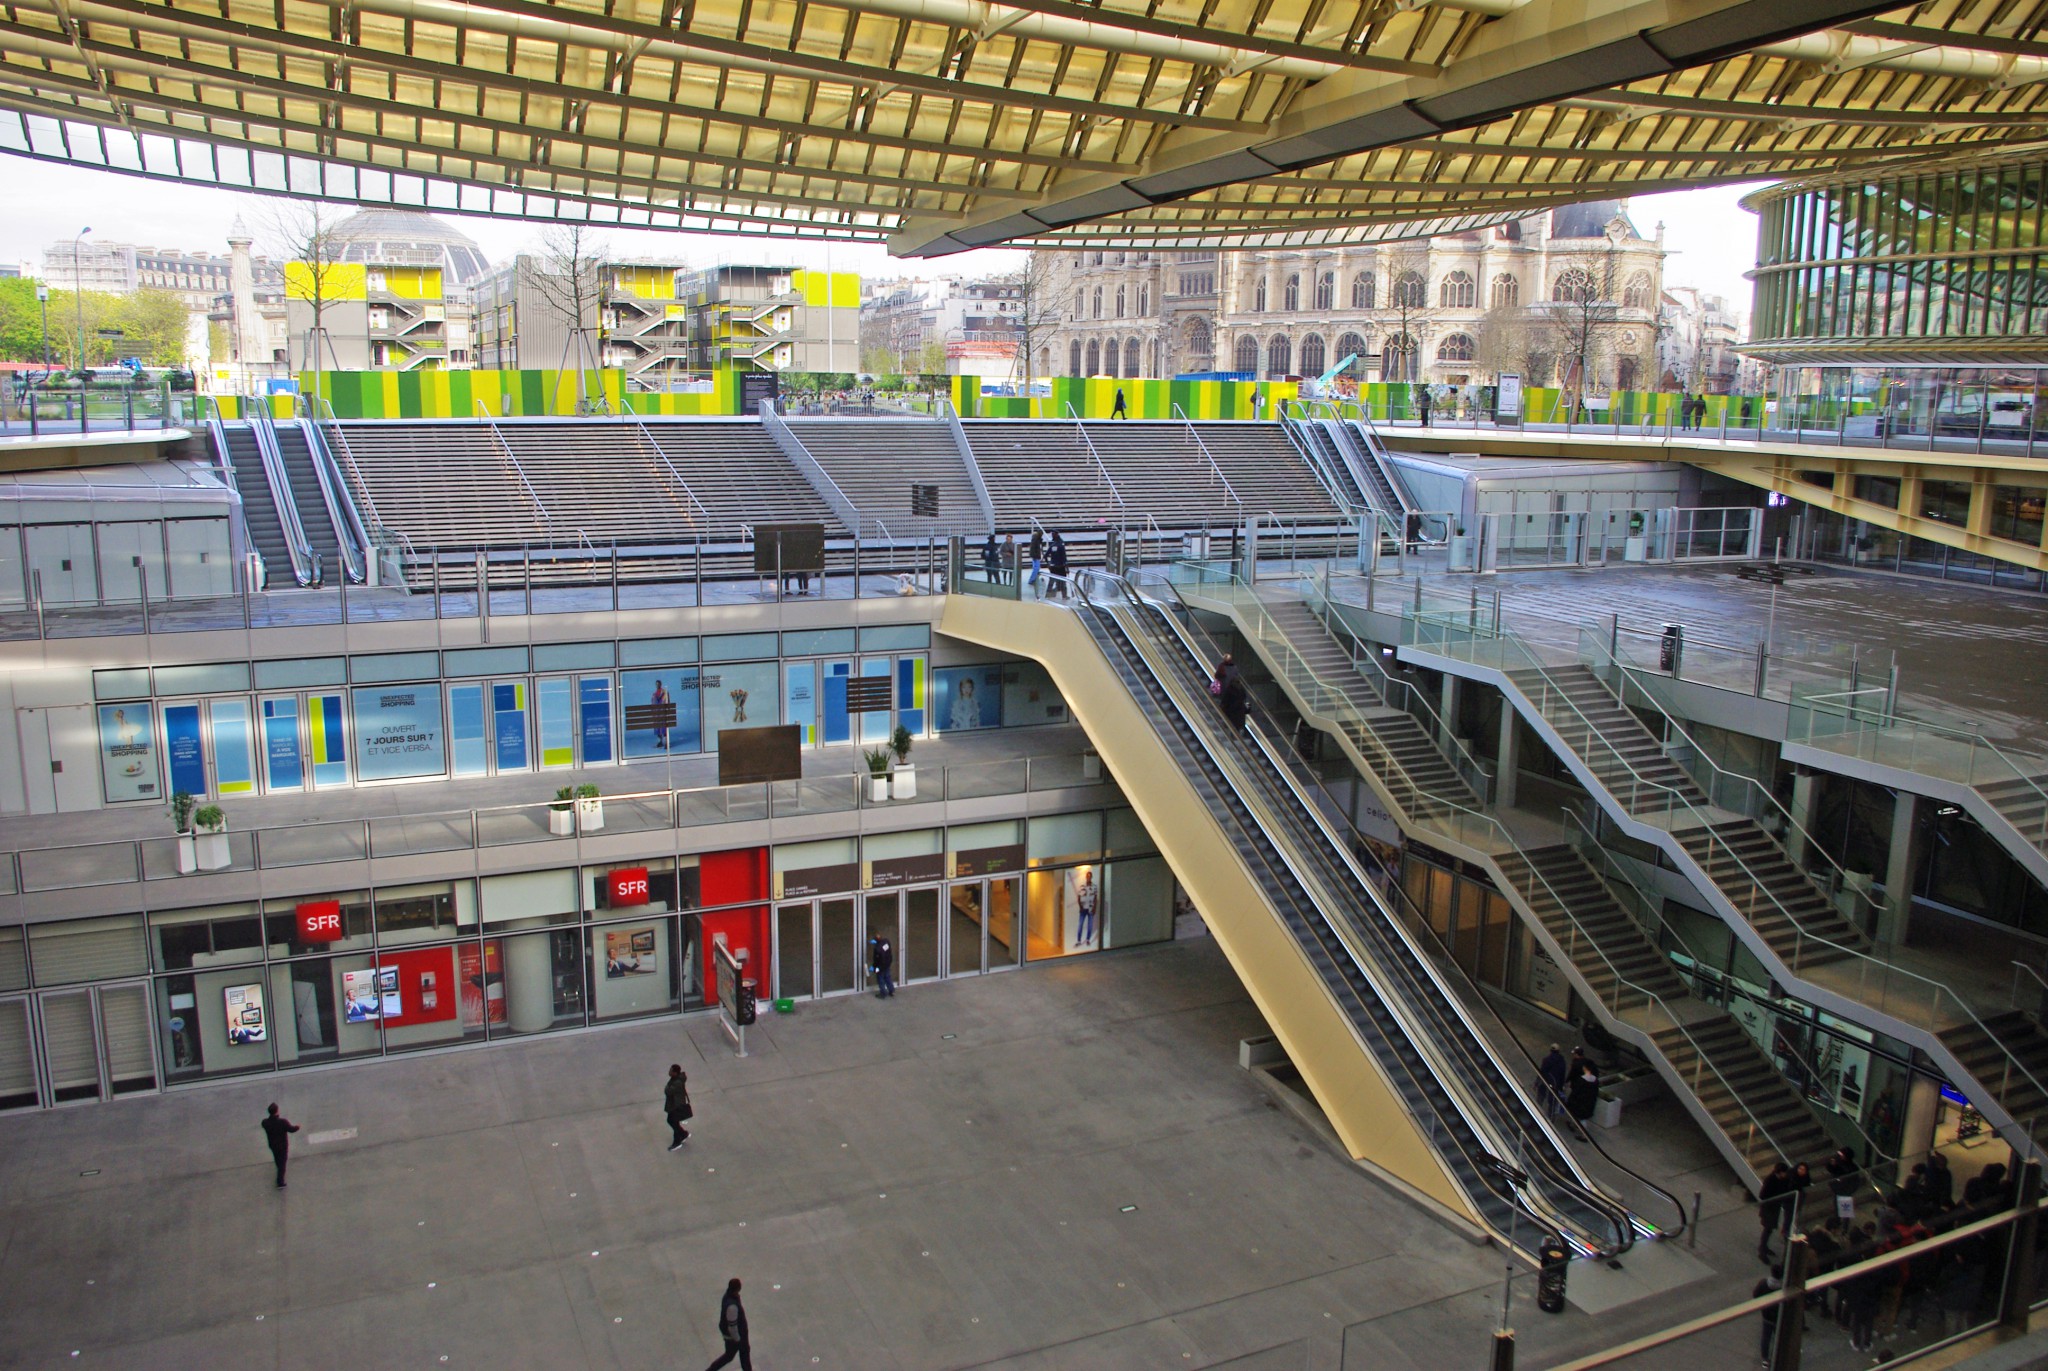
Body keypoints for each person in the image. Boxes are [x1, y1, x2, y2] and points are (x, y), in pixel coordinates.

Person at [704, 1278, 751, 1371]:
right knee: (740, 1354)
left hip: (737, 1335)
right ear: (738, 1288)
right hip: (735, 1336)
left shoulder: (729, 1296)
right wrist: (738, 1339)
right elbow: (732, 1326)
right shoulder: (732, 1306)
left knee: (732, 1355)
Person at [1758, 1162, 1795, 1262]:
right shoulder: (1770, 1179)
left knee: (1769, 1228)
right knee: (1767, 1228)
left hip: (1775, 1207)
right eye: (1784, 1172)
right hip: (1769, 1207)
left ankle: (1764, 1247)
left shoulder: (1784, 1180)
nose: (1785, 1174)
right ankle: (1762, 1249)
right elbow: (1762, 1195)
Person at [261, 1102, 299, 1189]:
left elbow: (264, 1124)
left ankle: (279, 1169)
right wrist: (297, 1127)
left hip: (273, 1145)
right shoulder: (282, 1122)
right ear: (277, 1111)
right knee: (283, 1163)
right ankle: (280, 1182)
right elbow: (291, 1129)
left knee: (277, 1159)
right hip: (282, 1146)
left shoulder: (265, 1122)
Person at [1755, 1264, 1783, 1368]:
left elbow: (1755, 1294)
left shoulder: (1763, 1283)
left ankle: (1765, 1358)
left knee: (1766, 1337)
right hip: (1778, 1316)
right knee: (1779, 1335)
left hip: (1766, 1314)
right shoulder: (1783, 1288)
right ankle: (1779, 1354)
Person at [664, 1064, 692, 1151]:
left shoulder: (677, 1083)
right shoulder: (676, 1079)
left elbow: (667, 1091)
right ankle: (683, 1134)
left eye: (671, 1071)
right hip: (674, 1105)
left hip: (676, 1107)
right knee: (672, 1121)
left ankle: (677, 1142)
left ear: (675, 1073)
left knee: (673, 1123)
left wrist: (667, 1086)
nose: (669, 1072)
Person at [1565, 1061, 1599, 1131]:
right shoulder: (1595, 1080)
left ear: (1585, 1068)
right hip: (1589, 1102)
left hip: (1579, 1102)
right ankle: (1574, 1125)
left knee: (1580, 1117)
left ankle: (1584, 1134)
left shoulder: (1581, 1080)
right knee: (1581, 1117)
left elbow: (1576, 1092)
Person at [1539, 1043, 1568, 1116]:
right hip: (1556, 1083)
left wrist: (1537, 1082)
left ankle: (1537, 1109)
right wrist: (1561, 1087)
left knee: (1541, 1095)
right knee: (1552, 1101)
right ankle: (1550, 1116)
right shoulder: (1562, 1062)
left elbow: (1542, 1071)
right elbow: (1562, 1075)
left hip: (1545, 1080)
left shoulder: (1546, 1060)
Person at [1074, 870, 1098, 944]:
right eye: (1087, 876)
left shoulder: (1094, 887)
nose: (1088, 878)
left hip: (1090, 908)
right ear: (1086, 877)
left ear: (1091, 877)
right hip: (1083, 908)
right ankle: (1078, 940)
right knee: (1080, 924)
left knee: (1090, 925)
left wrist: (1094, 908)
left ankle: (1088, 939)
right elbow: (1078, 897)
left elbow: (1095, 898)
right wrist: (1080, 907)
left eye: (1090, 877)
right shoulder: (1081, 886)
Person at [1047, 531, 1069, 601]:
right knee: (1063, 581)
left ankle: (1048, 594)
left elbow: (1045, 555)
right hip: (1061, 566)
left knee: (1051, 581)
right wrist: (1066, 566)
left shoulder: (1052, 545)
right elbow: (1064, 557)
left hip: (1053, 566)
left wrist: (1048, 563)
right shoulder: (1061, 545)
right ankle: (1064, 596)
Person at [651, 679, 671, 750]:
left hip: (663, 713)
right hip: (657, 713)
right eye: (656, 684)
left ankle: (666, 743)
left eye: (658, 684)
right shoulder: (654, 694)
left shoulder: (665, 693)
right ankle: (660, 742)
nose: (657, 685)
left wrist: (668, 711)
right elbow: (652, 703)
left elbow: (668, 702)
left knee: (664, 728)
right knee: (657, 728)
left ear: (661, 684)